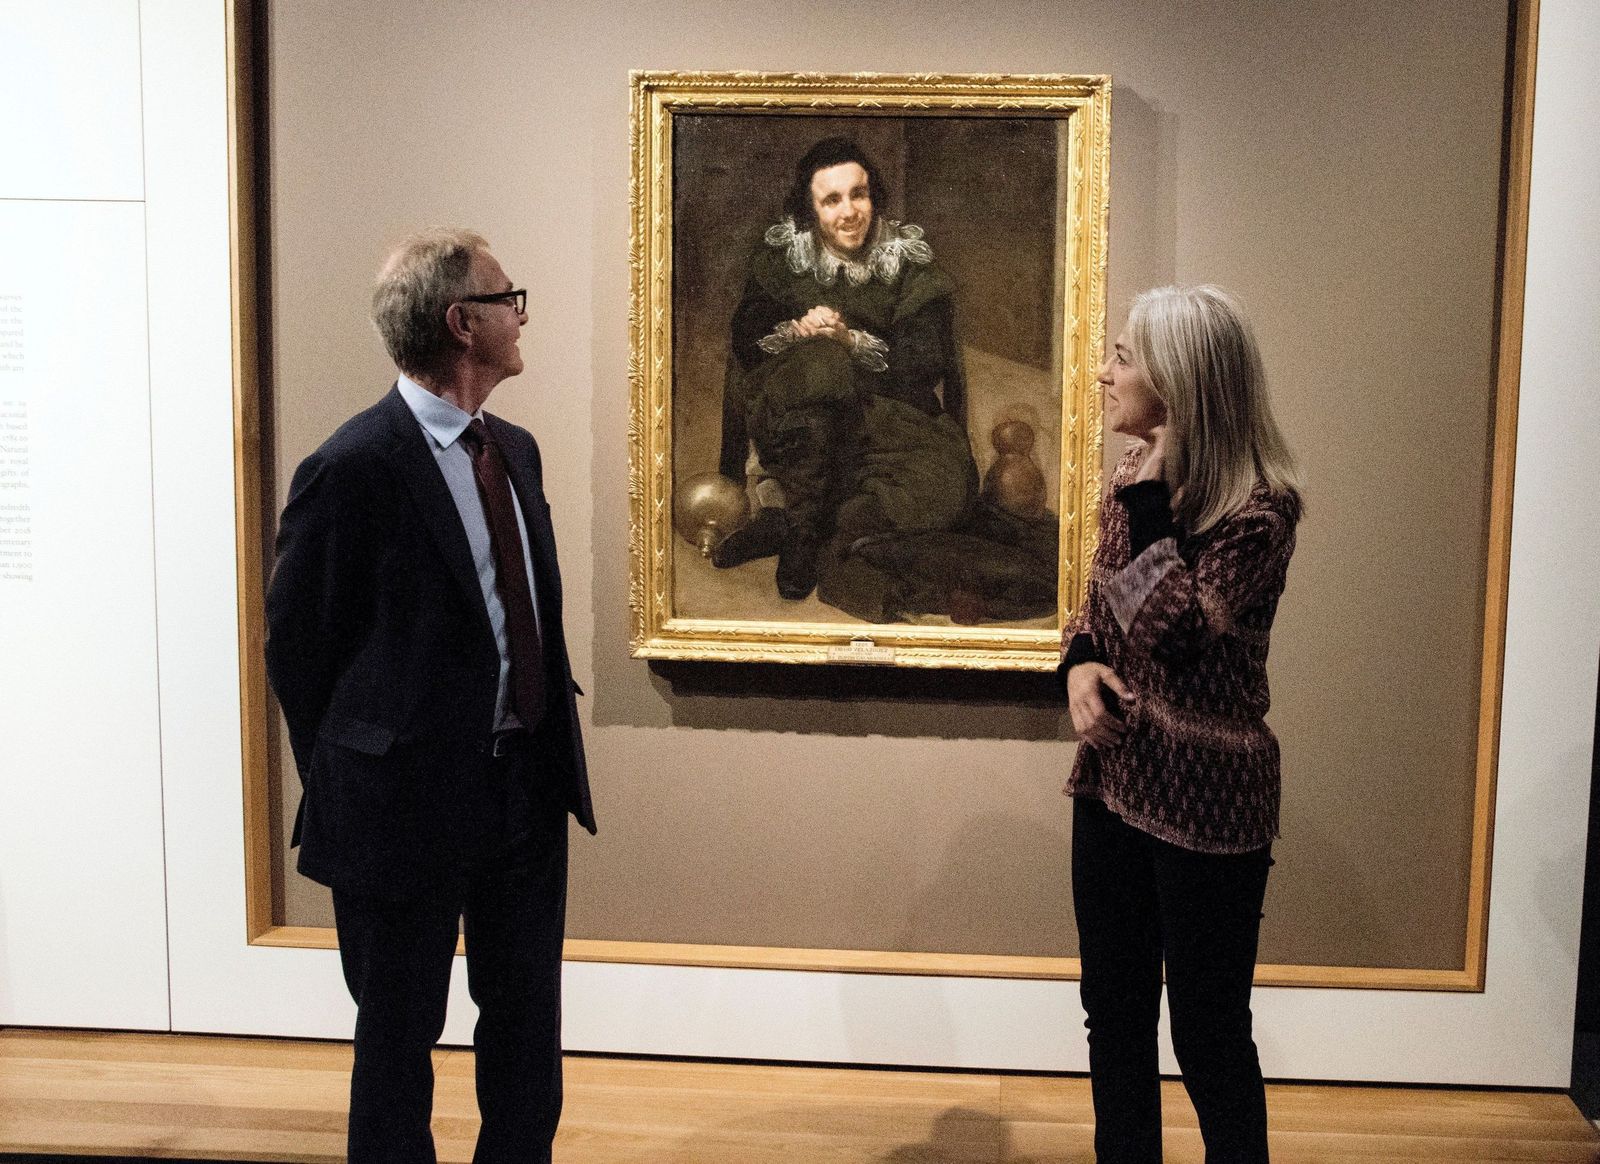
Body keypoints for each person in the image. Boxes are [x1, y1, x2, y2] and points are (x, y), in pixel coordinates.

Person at [265, 228, 594, 1164]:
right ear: (463, 323)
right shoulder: (356, 465)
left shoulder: (515, 450)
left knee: (527, 1027)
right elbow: (300, 648)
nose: (521, 314)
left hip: (524, 790)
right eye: (507, 297)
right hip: (401, 806)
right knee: (399, 1040)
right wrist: (356, 773)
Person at [1060, 285, 1302, 1163]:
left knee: (1205, 1035)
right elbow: (1097, 608)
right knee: (1115, 1016)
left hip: (1210, 809)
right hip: (1116, 781)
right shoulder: (1130, 479)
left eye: (1123, 356)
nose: (1104, 372)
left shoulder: (1261, 512)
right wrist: (1078, 663)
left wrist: (1155, 504)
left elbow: (1178, 636)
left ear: (1181, 379)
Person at [713, 136, 979, 608]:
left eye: (859, 194)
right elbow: (745, 342)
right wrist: (798, 332)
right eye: (831, 200)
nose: (849, 211)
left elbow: (925, 362)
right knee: (822, 364)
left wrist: (850, 340)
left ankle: (792, 523)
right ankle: (801, 532)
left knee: (946, 485)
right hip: (795, 416)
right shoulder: (784, 256)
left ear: (873, 196)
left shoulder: (907, 259)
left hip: (884, 420)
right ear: (810, 208)